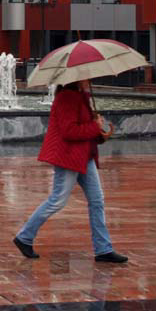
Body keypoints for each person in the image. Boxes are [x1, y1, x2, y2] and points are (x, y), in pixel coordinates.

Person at [13, 80, 128, 264]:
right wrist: (94, 127)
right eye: (86, 77)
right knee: (57, 200)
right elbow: (69, 131)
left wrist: (99, 134)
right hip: (68, 157)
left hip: (85, 156)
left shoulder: (81, 96)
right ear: (76, 78)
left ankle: (103, 249)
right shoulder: (67, 98)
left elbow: (84, 127)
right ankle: (24, 237)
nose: (89, 80)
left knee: (97, 201)